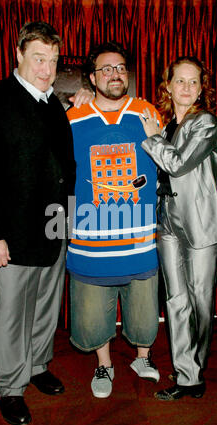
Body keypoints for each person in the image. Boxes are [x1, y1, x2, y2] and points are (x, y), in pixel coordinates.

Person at [0, 21, 91, 425]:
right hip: (11, 233)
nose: (46, 69)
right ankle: (10, 386)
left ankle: (37, 366)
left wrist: (68, 218)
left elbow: (63, 167)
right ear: (18, 56)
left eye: (53, 61)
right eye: (39, 59)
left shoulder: (53, 104)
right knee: (13, 312)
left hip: (54, 228)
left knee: (45, 308)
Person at [66, 42, 162, 399]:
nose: (115, 74)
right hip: (91, 236)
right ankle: (103, 363)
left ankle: (142, 357)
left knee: (143, 308)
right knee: (93, 313)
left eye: (120, 67)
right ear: (92, 78)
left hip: (138, 235)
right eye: (106, 69)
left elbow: (169, 162)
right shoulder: (73, 117)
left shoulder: (147, 112)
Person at [140, 56, 217, 401]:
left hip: (202, 224)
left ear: (201, 88)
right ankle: (187, 374)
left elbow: (176, 165)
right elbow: (163, 175)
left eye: (194, 82)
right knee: (176, 300)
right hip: (168, 222)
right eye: (181, 80)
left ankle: (197, 363)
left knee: (201, 302)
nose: (187, 88)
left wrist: (151, 139)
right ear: (168, 85)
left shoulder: (205, 122)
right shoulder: (164, 127)